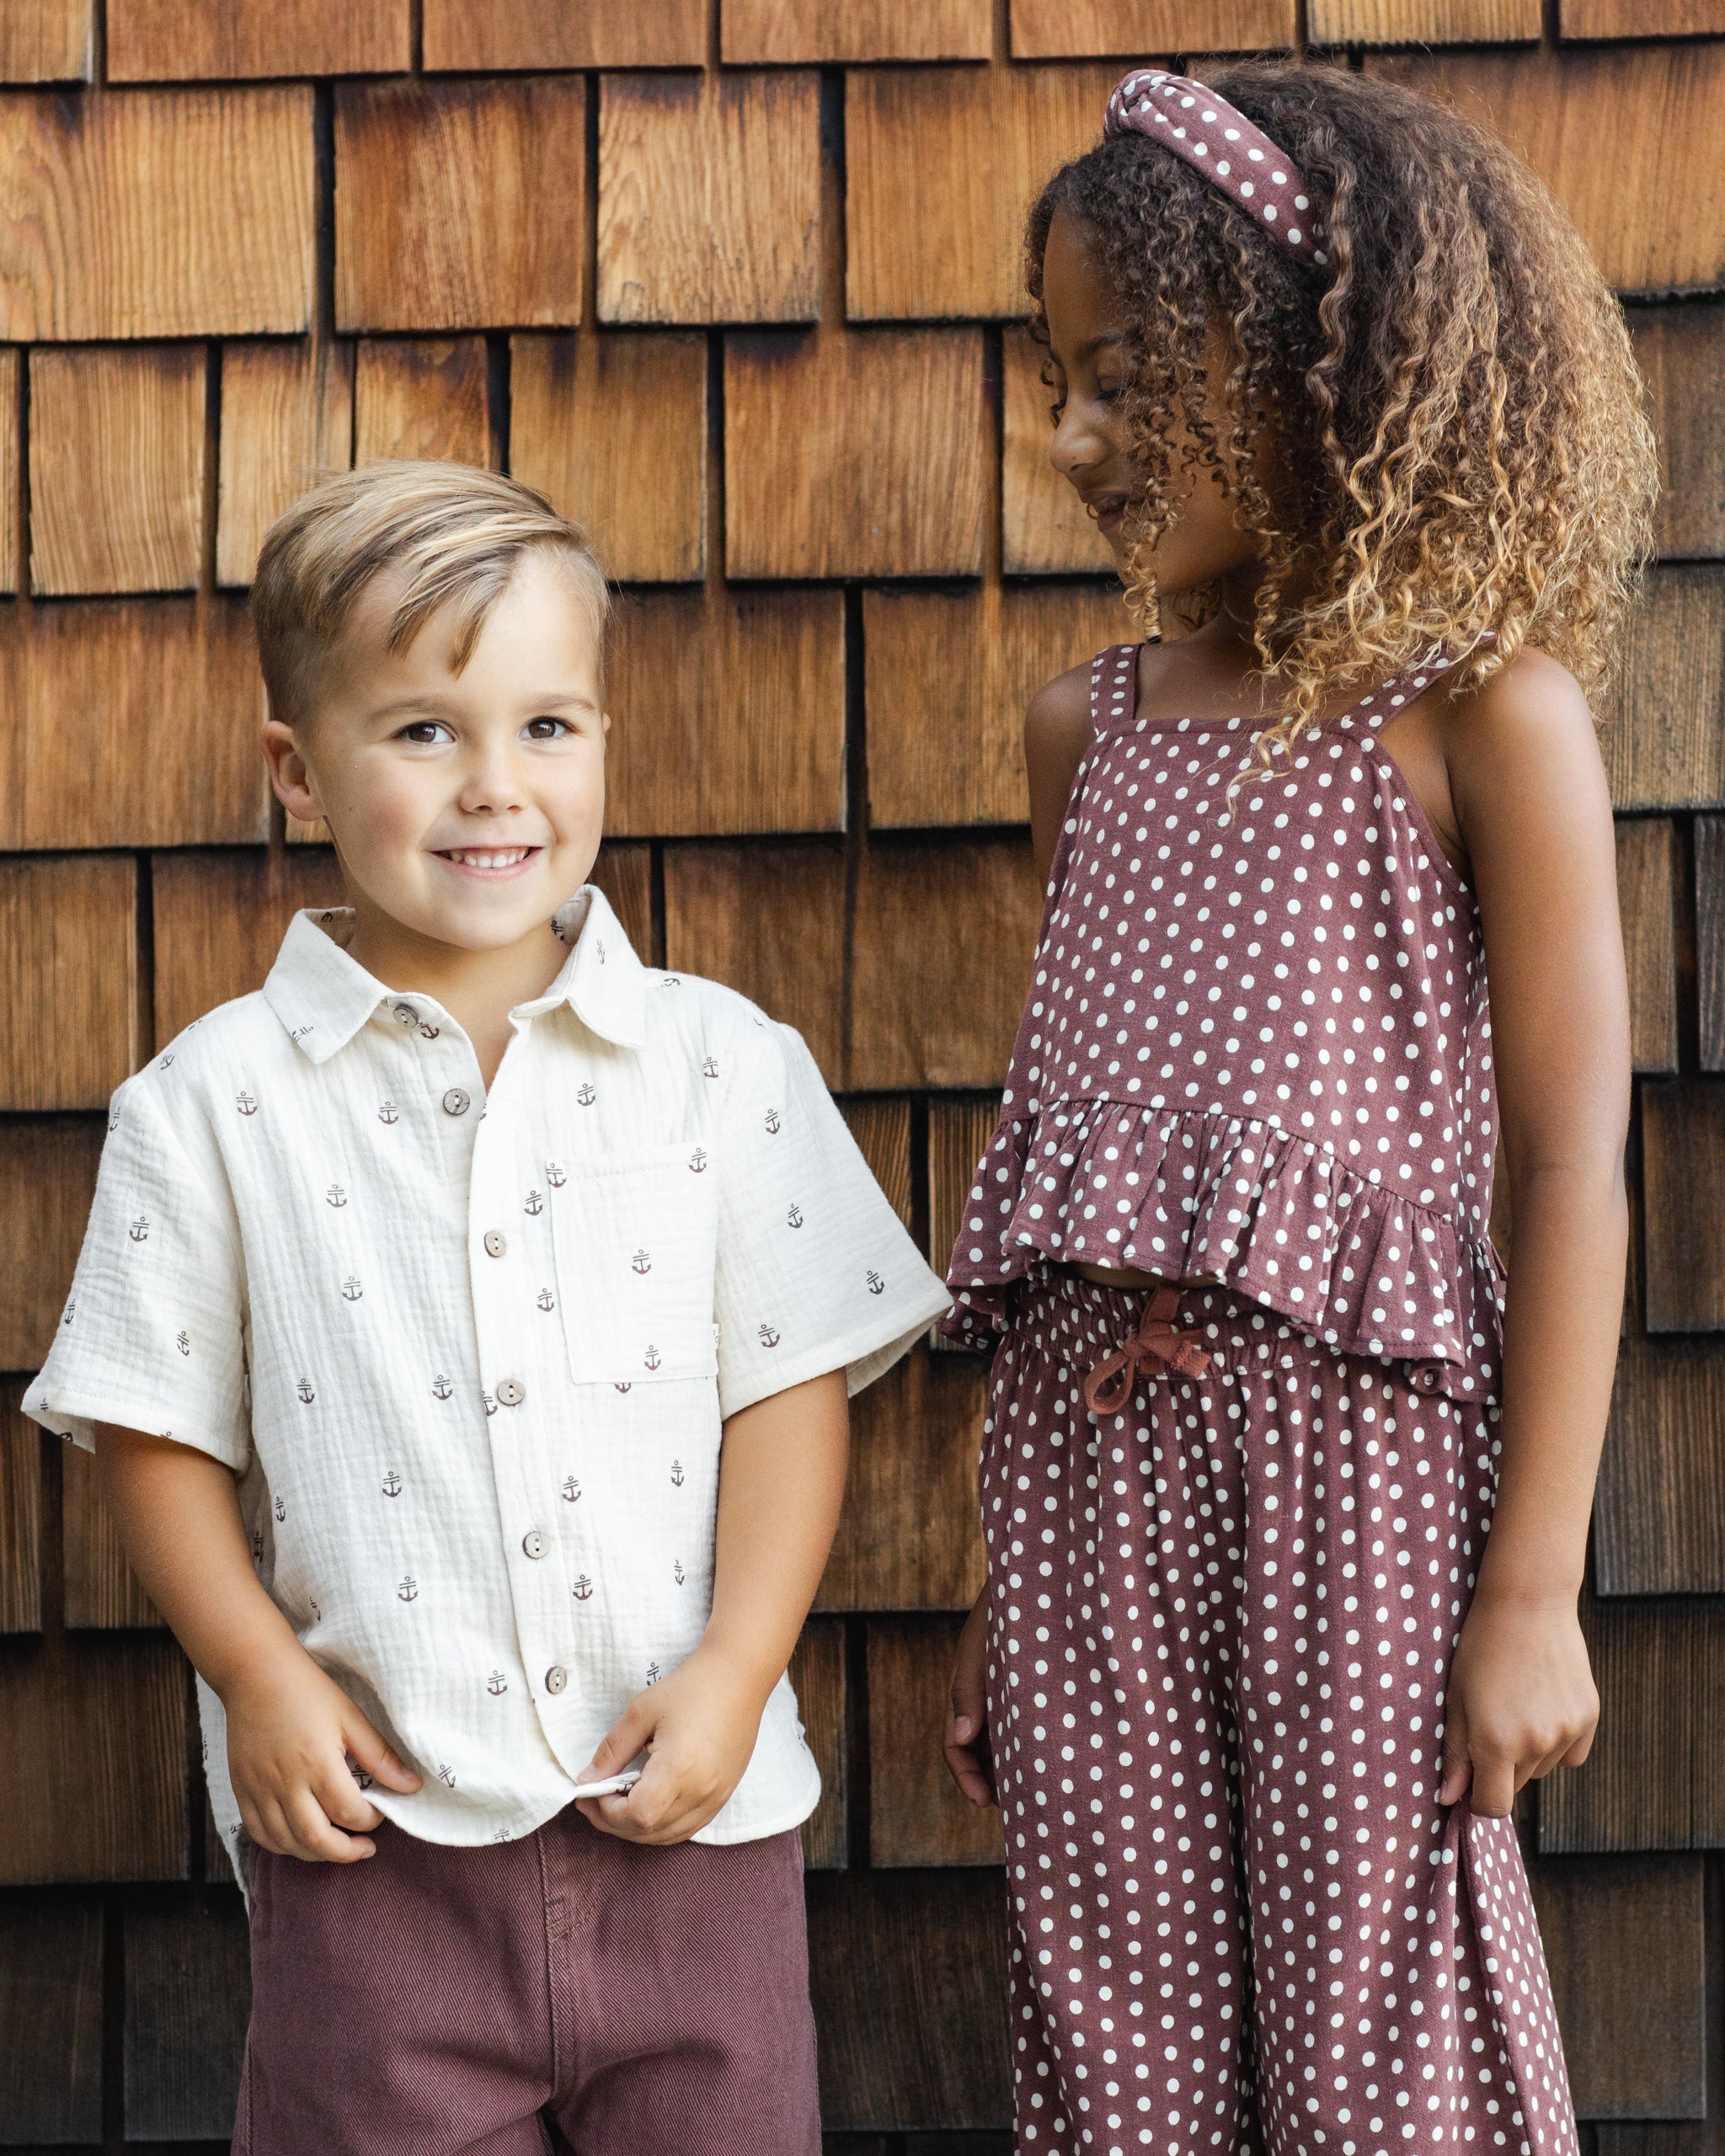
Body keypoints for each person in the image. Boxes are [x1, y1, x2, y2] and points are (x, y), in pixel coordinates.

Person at [25, 460, 951, 2156]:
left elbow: (788, 1392)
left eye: (546, 726)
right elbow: (150, 1427)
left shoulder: (721, 1062)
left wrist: (743, 1662)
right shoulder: (212, 1099)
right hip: (378, 1843)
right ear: (297, 771)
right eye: (426, 732)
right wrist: (255, 1674)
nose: (495, 787)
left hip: (692, 1815)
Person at [940, 63, 1653, 2156]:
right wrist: (1007, 1583)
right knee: (1112, 2014)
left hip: (1367, 1481)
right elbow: (1086, 1180)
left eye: (1129, 381)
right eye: (1061, 383)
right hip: (1088, 1480)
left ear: (1316, 368)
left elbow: (1562, 1163)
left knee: (1379, 2022)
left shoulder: (1480, 720)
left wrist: (1532, 1583)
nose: (1076, 438)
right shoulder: (1094, 734)